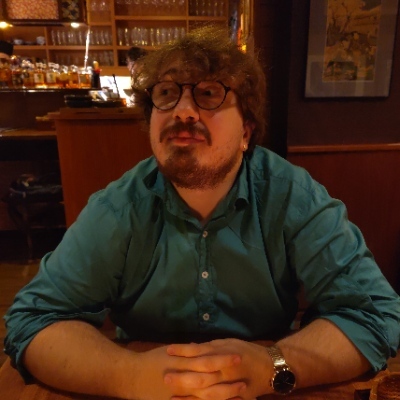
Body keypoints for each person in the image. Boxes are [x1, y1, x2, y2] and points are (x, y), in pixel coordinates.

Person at [4, 25, 400, 400]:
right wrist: (128, 375)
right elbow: (33, 321)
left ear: (246, 132)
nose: (184, 111)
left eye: (209, 94)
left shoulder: (293, 196)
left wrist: (273, 364)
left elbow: (375, 315)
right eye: (165, 93)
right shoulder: (118, 208)